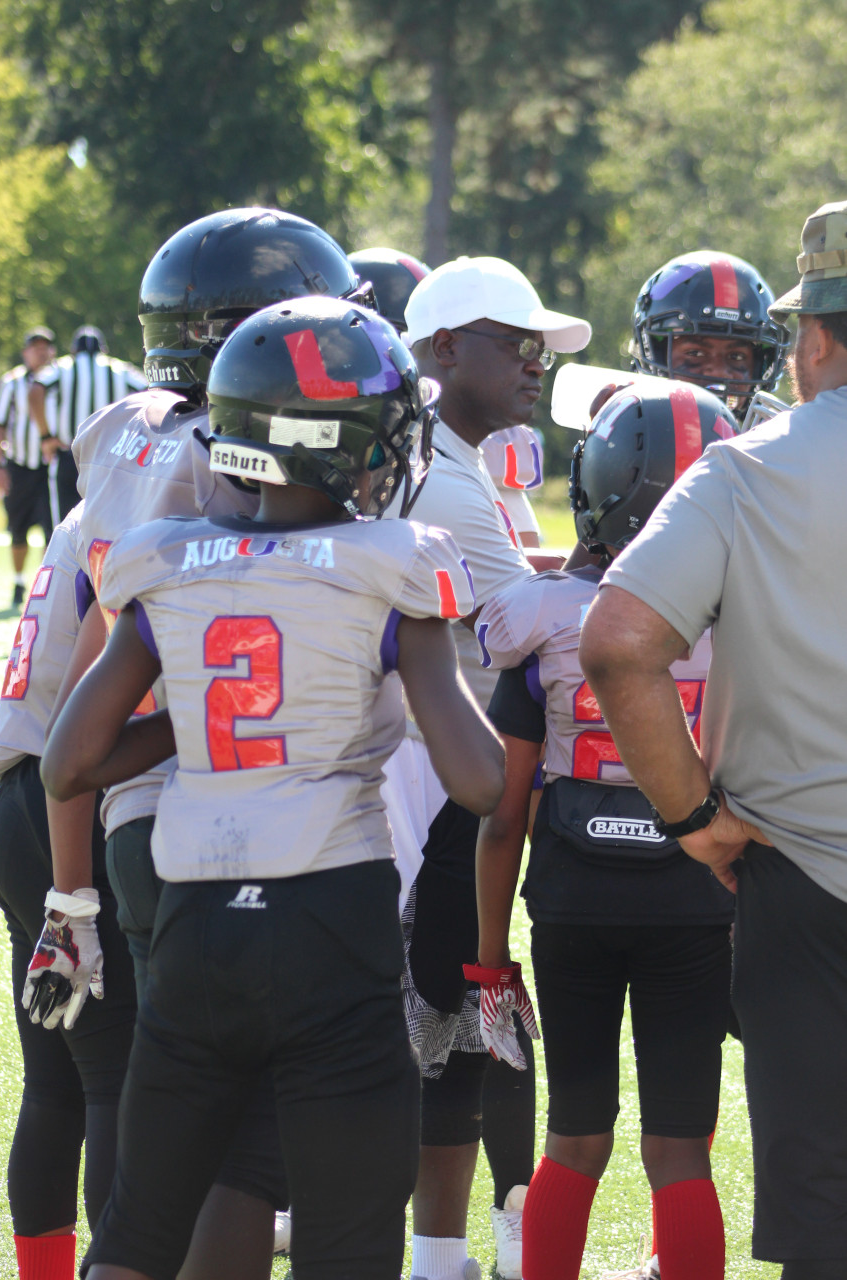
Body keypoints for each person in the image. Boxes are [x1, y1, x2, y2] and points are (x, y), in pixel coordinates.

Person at [39, 295, 506, 1280]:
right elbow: (480, 778)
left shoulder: (171, 559)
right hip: (332, 919)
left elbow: (69, 761)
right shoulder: (393, 564)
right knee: (348, 1238)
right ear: (351, 442)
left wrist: (199, 719)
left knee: (140, 1225)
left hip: (196, 928)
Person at [30, 206, 376, 1276]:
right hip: (171, 795)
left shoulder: (127, 422)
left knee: (117, 1092)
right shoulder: (213, 458)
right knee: (204, 1124)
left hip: (77, 784)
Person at [578, 198, 847, 1280]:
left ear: (816, 337)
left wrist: (693, 817)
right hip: (793, 872)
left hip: (796, 874)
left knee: (821, 1197)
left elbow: (617, 641)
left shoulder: (747, 466)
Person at [471, 381, 738, 1280]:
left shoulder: (543, 618)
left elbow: (504, 815)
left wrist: (487, 957)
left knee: (572, 1138)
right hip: (697, 896)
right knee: (680, 1151)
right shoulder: (741, 622)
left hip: (573, 899)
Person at [386, 254, 590, 1280]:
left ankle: (448, 1248)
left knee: (467, 1018)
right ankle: (478, 1244)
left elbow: (521, 584)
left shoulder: (448, 456)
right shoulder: (441, 469)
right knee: (470, 1004)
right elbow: (539, 628)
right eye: (512, 342)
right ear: (441, 347)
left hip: (442, 762)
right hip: (437, 776)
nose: (530, 362)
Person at [0, 500, 138, 1280]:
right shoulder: (163, 496)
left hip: (19, 799)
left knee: (57, 1083)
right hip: (69, 807)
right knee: (117, 1074)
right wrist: (74, 897)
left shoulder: (101, 498)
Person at [629, 250, 790, 422]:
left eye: (736, 356)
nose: (719, 370)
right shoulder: (623, 438)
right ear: (654, 353)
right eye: (695, 353)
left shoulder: (771, 445)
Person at [30, 326, 147, 525]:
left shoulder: (63, 366)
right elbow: (149, 390)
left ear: (75, 349)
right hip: (111, 457)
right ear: (103, 349)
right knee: (109, 523)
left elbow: (35, 390)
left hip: (71, 455)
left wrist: (46, 436)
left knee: (67, 524)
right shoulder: (119, 368)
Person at [0, 327, 56, 606]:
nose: (40, 352)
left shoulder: (60, 378)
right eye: (35, 347)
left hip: (50, 467)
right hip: (19, 464)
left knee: (52, 528)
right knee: (17, 528)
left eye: (45, 347)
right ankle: (19, 582)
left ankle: (45, 585)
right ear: (25, 352)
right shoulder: (12, 382)